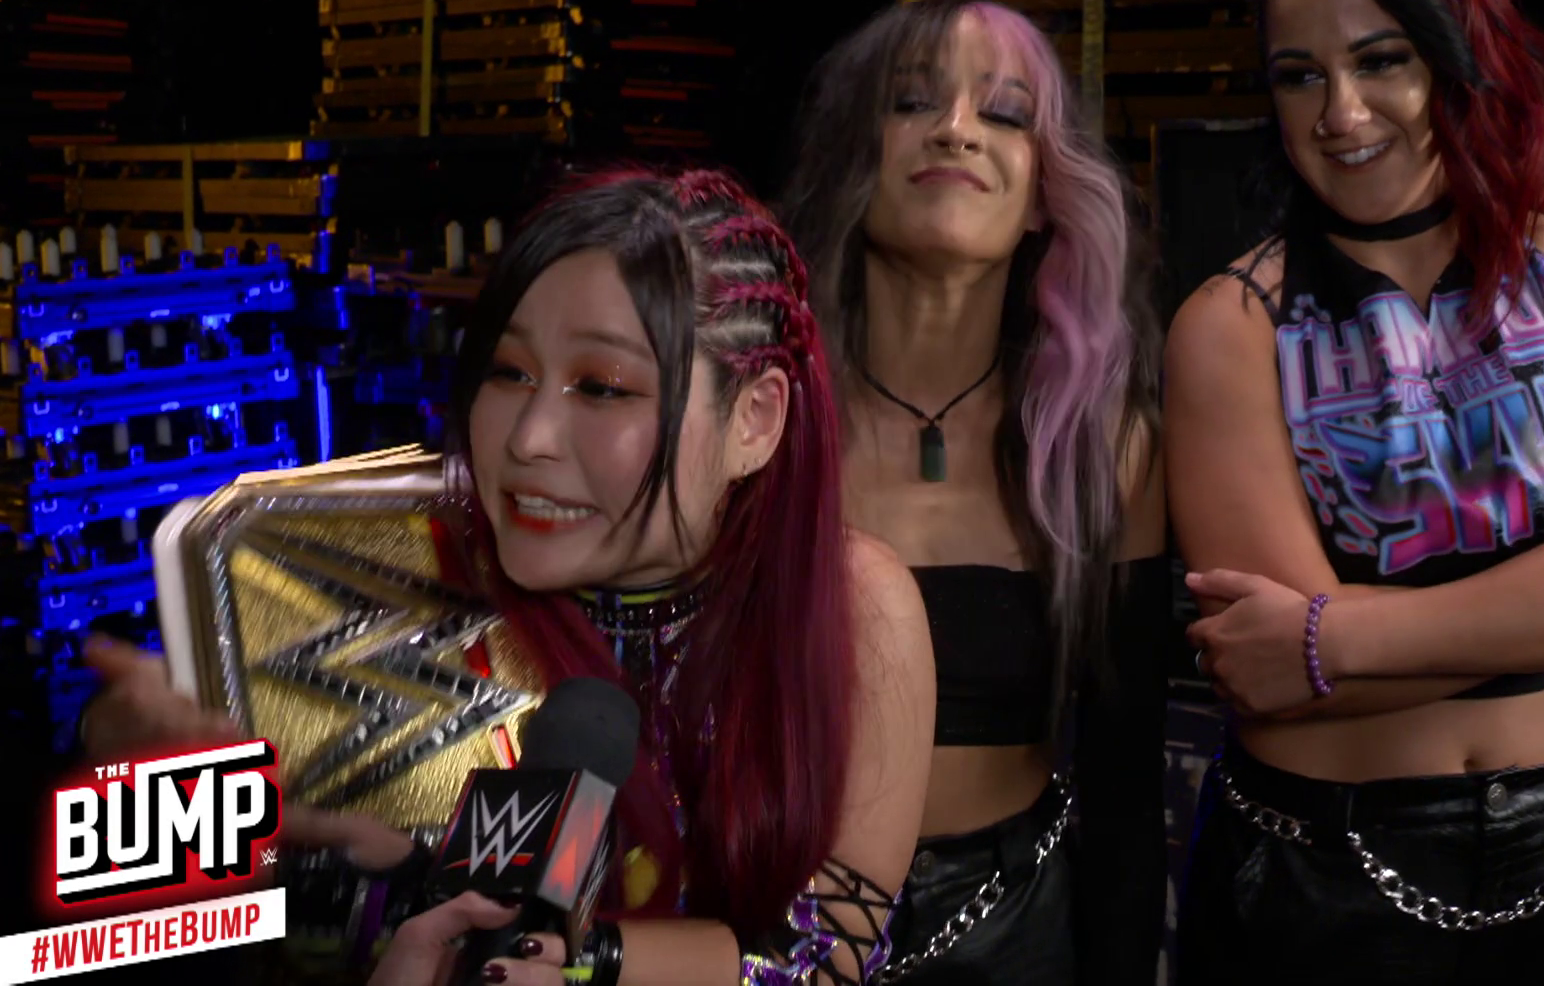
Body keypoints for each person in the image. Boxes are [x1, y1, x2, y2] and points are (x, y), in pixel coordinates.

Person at [85, 169, 937, 985]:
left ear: (754, 419)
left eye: (601, 388)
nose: (528, 436)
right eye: (509, 372)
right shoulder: (364, 589)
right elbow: (183, 916)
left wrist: (581, 964)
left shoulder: (851, 609)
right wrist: (153, 810)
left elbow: (823, 956)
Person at [1165, 0, 1544, 982]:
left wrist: (1328, 634)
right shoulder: (1228, 325)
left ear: (1461, 61)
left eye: (1382, 61)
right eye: (1299, 76)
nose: (1342, 113)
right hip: (1317, 879)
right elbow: (1275, 680)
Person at [779, 0, 1168, 985]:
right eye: (914, 101)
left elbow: (1125, 781)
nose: (956, 129)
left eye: (1003, 113)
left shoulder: (1101, 444)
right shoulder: (763, 423)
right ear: (856, 154)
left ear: (1044, 190)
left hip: (1011, 930)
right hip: (776, 922)